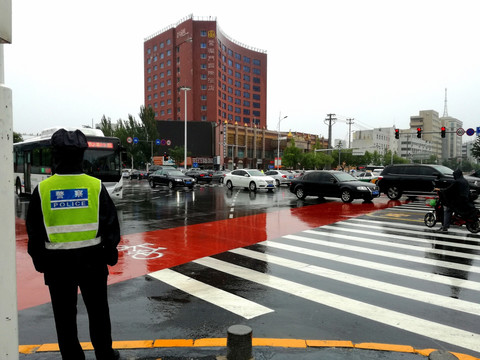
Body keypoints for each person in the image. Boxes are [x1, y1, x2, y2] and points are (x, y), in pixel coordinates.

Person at [26, 129, 121, 360]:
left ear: (55, 156)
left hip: (57, 265)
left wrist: (40, 261)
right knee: (99, 313)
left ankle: (73, 357)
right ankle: (105, 355)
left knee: (64, 318)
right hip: (93, 262)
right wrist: (110, 254)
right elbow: (110, 227)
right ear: (81, 155)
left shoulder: (43, 189)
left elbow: (35, 232)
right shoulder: (95, 186)